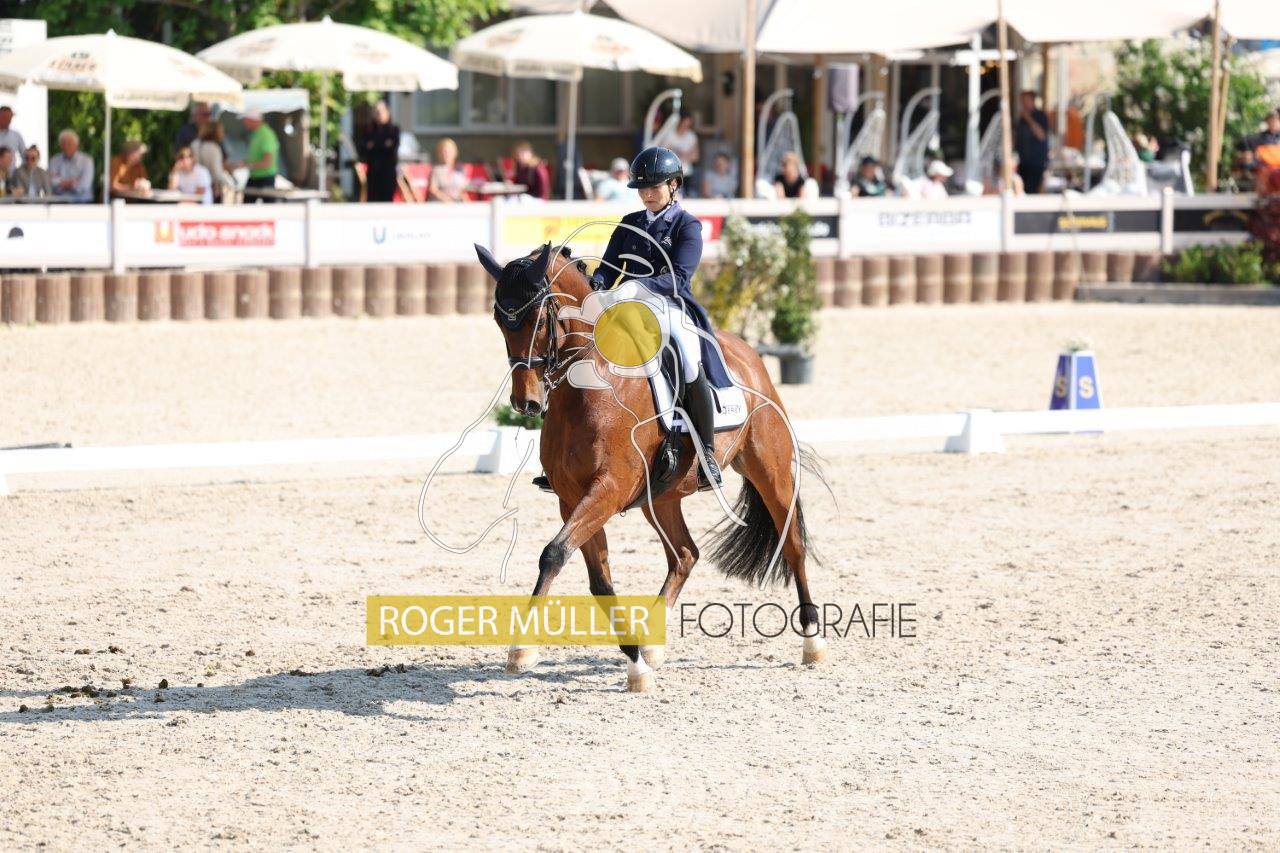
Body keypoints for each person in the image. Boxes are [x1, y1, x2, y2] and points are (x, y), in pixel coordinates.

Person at [586, 146, 732, 490]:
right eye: (642, 188)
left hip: (670, 306)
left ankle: (707, 451)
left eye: (654, 187)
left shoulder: (687, 225)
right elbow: (608, 269)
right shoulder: (629, 224)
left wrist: (638, 286)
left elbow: (679, 278)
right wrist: (597, 285)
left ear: (673, 185)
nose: (647, 194)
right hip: (625, 305)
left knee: (688, 357)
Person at [361, 99, 399, 203]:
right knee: (372, 201)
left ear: (387, 112)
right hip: (373, 173)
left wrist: (374, 145)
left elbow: (392, 147)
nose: (379, 114)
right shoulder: (369, 130)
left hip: (388, 172)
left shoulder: (393, 130)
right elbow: (364, 147)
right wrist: (382, 144)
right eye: (377, 112)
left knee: (386, 201)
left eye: (381, 111)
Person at [237, 109, 279, 197]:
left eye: (246, 120)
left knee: (267, 205)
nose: (244, 123)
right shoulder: (256, 133)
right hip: (255, 177)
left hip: (265, 178)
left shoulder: (266, 135)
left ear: (253, 120)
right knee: (247, 202)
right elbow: (254, 157)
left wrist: (246, 165)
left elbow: (267, 162)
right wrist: (243, 163)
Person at [1014, 91, 1050, 194]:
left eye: (1026, 100)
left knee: (1032, 192)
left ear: (1033, 101)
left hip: (1036, 163)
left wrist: (1028, 118)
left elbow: (1041, 136)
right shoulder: (1021, 119)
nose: (1024, 104)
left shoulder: (1040, 115)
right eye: (1022, 101)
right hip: (1023, 162)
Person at [48, 129, 94, 202]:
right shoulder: (54, 160)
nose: (66, 147)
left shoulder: (87, 161)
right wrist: (72, 182)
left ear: (76, 145)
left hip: (82, 202)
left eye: (69, 143)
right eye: (63, 144)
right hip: (59, 202)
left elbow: (84, 186)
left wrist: (61, 183)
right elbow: (51, 182)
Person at [1237, 109, 1280, 187]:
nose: (1274, 123)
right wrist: (1247, 155)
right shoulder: (1260, 138)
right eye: (1271, 120)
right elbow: (1245, 143)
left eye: (1276, 120)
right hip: (1266, 171)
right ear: (1267, 122)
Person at [195, 121, 229, 202]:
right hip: (210, 188)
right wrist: (226, 183)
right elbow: (217, 173)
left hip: (196, 185)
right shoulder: (214, 148)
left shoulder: (194, 144)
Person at [428, 137, 466, 202]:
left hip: (457, 202)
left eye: (449, 151)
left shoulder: (459, 169)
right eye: (444, 151)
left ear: (455, 152)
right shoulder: (436, 170)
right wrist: (447, 199)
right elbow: (433, 190)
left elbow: (463, 189)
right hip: (440, 203)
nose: (447, 154)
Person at [666, 113, 699, 187]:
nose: (685, 127)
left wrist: (685, 155)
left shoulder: (692, 136)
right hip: (671, 172)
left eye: (688, 125)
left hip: (686, 173)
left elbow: (696, 157)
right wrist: (677, 154)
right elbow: (664, 153)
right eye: (684, 124)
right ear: (680, 122)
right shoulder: (670, 135)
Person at [0, 106, 25, 176]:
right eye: (5, 117)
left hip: (11, 176)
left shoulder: (16, 136)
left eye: (10, 117)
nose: (8, 120)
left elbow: (25, 155)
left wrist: (20, 172)